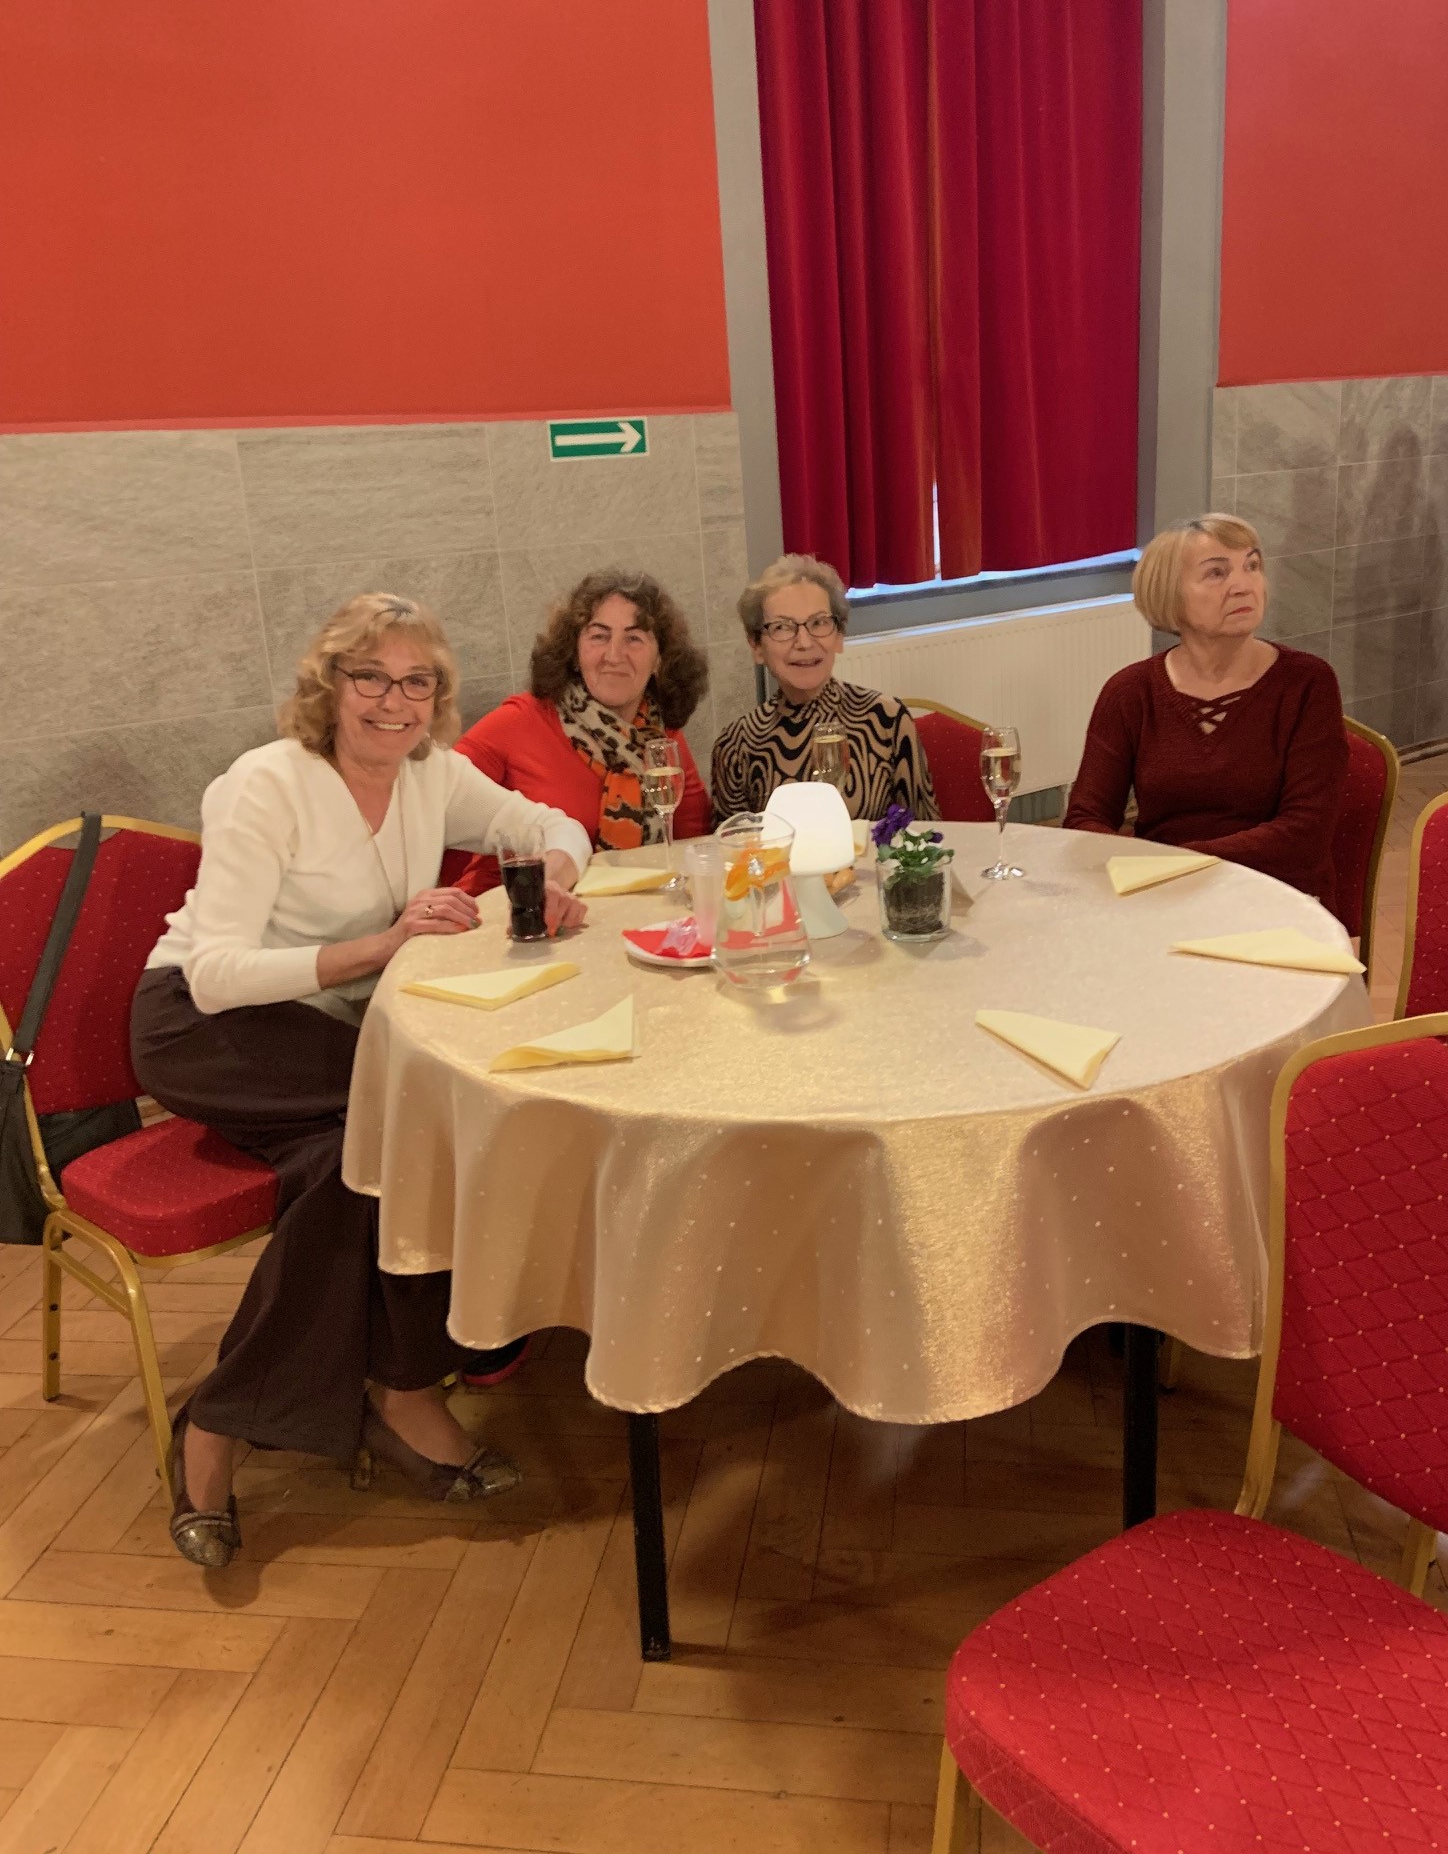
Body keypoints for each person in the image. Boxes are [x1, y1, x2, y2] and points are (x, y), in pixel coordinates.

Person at [129, 593, 591, 1569]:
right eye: (370, 677)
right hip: (202, 1023)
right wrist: (383, 945)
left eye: (417, 681)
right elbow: (215, 975)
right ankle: (314, 1409)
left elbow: (554, 822)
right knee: (419, 1114)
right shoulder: (266, 784)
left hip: (324, 1029)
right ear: (328, 685)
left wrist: (553, 874)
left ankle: (353, 1397)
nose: (394, 700)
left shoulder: (429, 773)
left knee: (350, 1163)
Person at [1063, 515, 1347, 906]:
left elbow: (1305, 833)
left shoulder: (1307, 683)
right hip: (1162, 894)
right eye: (1216, 573)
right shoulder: (1131, 692)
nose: (1244, 585)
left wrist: (1174, 863)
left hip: (1277, 896)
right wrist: (1151, 873)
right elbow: (1085, 818)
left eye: (1252, 566)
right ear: (1170, 594)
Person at [451, 569, 712, 894]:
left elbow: (692, 846)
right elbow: (436, 809)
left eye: (634, 638)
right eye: (599, 636)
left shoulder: (661, 737)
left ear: (660, 659)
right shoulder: (516, 723)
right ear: (574, 653)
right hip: (517, 911)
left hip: (626, 913)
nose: (614, 655)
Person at [710, 553, 938, 823]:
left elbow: (925, 836)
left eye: (818, 623)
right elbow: (732, 845)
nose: (804, 643)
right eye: (782, 627)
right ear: (756, 646)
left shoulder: (886, 720)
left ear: (839, 636)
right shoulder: (736, 743)